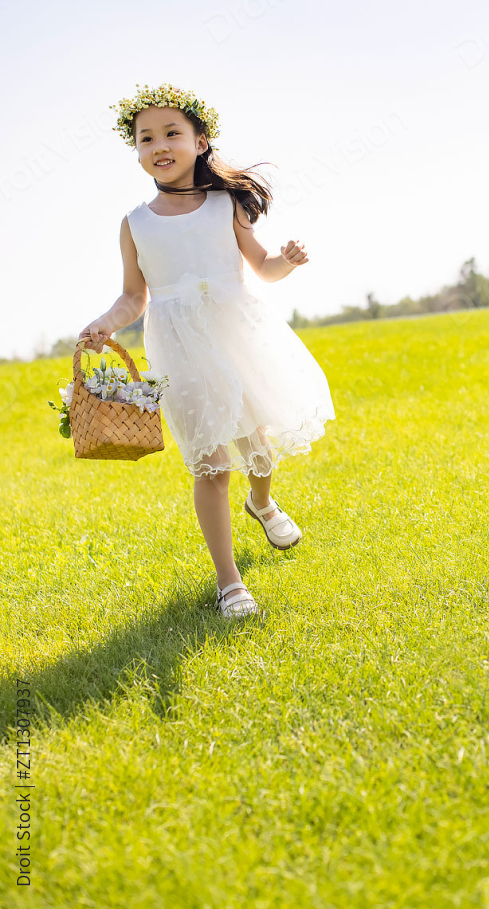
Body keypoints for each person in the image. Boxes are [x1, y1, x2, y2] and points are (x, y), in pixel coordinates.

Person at [78, 83, 335, 619]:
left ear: (200, 141)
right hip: (179, 347)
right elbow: (134, 297)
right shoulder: (136, 223)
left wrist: (284, 261)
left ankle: (261, 502)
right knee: (210, 465)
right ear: (138, 152)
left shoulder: (227, 203)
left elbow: (262, 268)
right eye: (146, 138)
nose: (159, 144)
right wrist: (106, 323)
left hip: (237, 329)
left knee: (257, 436)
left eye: (172, 132)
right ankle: (230, 582)